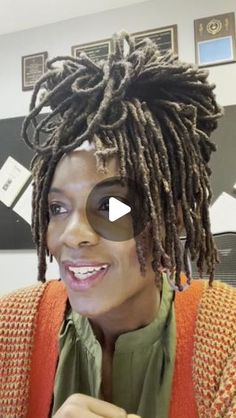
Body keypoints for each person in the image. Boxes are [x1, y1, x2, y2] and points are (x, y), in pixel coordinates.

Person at [0, 31, 236, 418]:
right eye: (57, 208)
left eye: (111, 206)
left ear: (170, 214)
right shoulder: (11, 327)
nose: (72, 235)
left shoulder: (227, 341)